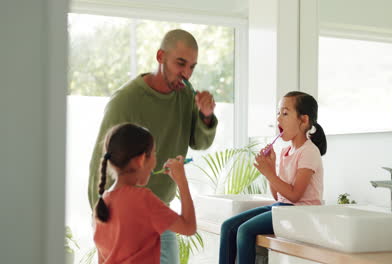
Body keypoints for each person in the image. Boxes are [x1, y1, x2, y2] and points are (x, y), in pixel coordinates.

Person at [88, 29, 217, 263]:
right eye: (181, 64)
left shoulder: (185, 97)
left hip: (159, 212)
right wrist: (102, 215)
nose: (186, 74)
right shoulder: (125, 101)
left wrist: (206, 116)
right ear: (160, 56)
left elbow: (200, 142)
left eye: (192, 67)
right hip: (128, 215)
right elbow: (101, 158)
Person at [218, 91, 327, 264]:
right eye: (278, 113)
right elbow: (278, 196)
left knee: (245, 231)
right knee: (228, 227)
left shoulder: (309, 152)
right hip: (282, 207)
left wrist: (268, 172)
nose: (278, 119)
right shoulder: (285, 152)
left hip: (301, 213)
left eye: (285, 113)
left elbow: (295, 195)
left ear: (304, 120)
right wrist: (271, 170)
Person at [93, 123, 196, 264]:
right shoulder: (142, 199)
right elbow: (189, 227)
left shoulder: (101, 204)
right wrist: (181, 181)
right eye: (154, 153)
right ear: (141, 160)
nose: (155, 161)